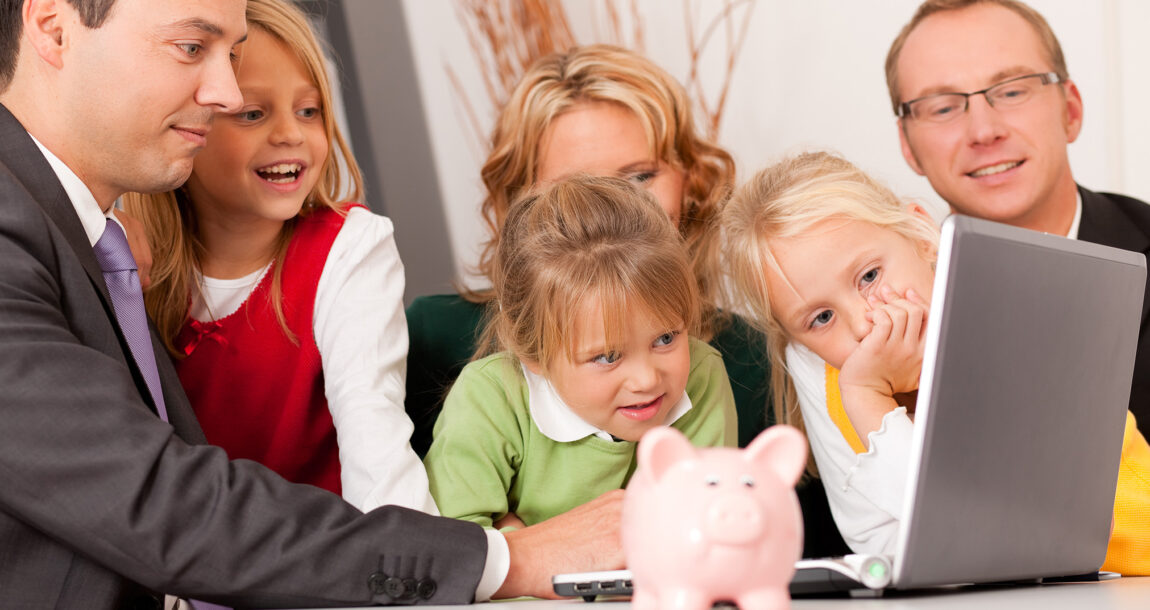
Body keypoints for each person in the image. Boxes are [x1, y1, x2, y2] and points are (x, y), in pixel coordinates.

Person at [0, 0, 621, 606]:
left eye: (232, 54)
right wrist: (508, 561)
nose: (222, 92)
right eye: (191, 46)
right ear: (55, 30)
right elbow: (155, 503)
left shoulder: (86, 234)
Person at [404, 44, 851, 557]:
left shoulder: (747, 357)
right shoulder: (439, 348)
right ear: (519, 206)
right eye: (579, 188)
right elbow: (424, 543)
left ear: (692, 181)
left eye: (640, 176)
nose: (621, 205)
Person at [721, 150, 1150, 573]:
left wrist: (869, 398)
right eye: (821, 318)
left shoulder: (1002, 313)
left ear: (923, 235)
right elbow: (884, 542)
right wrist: (866, 396)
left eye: (870, 276)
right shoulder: (828, 372)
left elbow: (998, 519)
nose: (864, 322)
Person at [122, 0, 432, 514]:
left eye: (309, 111)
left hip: (332, 564)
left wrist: (416, 571)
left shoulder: (350, 248)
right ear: (190, 126)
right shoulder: (129, 262)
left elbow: (377, 448)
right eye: (252, 113)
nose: (291, 134)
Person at [885, 0, 1150, 437]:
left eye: (1011, 91)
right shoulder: (878, 310)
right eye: (943, 106)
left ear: (1071, 111)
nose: (984, 131)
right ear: (908, 145)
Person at [424, 175, 736, 528]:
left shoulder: (702, 374)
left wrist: (513, 533)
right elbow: (456, 547)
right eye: (607, 357)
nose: (647, 379)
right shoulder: (490, 397)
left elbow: (707, 526)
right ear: (536, 354)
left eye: (665, 339)